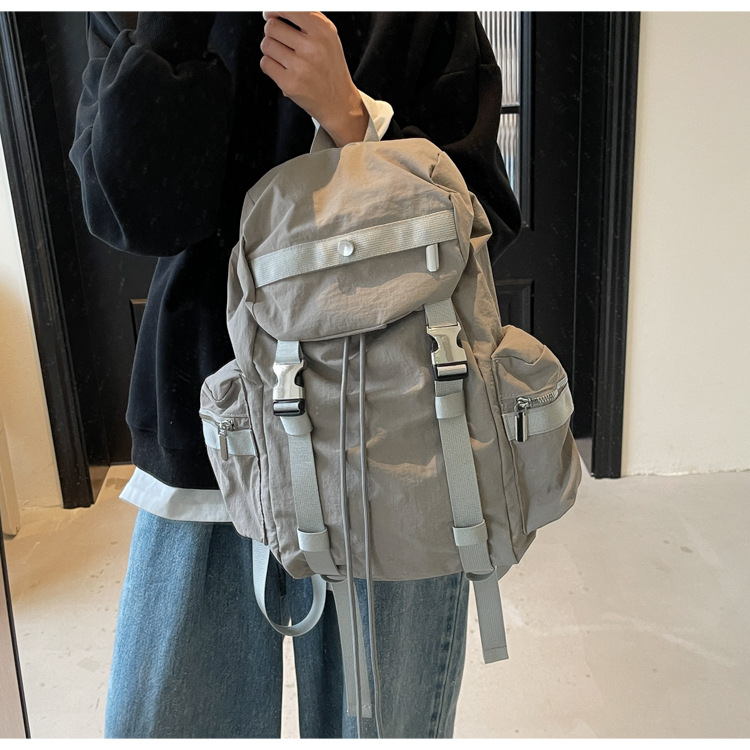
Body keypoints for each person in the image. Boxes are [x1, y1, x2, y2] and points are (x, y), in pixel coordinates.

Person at [69, 11, 521, 739]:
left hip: (394, 430)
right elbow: (128, 211)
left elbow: (480, 218)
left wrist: (353, 119)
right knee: (173, 722)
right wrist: (172, 33)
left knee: (385, 728)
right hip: (212, 425)